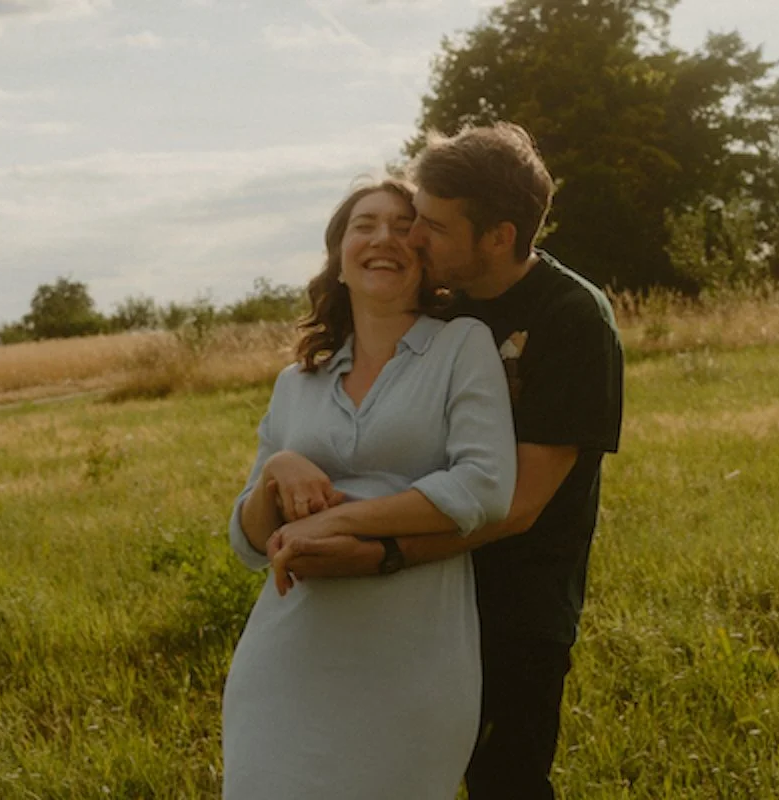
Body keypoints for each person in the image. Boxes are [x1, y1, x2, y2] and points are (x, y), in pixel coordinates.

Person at [277, 122, 625, 799]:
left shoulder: (572, 319)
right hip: (407, 601)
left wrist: (376, 547)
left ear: (498, 235)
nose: (412, 239)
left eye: (432, 226)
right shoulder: (437, 298)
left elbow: (520, 505)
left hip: (515, 601)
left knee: (504, 781)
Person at [222, 178, 517, 800]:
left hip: (412, 662)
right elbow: (249, 544)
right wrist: (278, 472)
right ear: (339, 258)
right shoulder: (296, 382)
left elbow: (485, 486)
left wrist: (342, 523)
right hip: (286, 661)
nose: (383, 236)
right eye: (364, 224)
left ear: (425, 254)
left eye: (403, 224)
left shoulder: (462, 345)